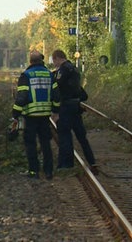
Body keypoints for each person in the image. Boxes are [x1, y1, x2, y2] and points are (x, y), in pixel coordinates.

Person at [12, 50, 59, 180]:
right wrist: (55, 110)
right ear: (41, 60)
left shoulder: (26, 75)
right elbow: (56, 95)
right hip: (45, 115)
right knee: (45, 143)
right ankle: (49, 171)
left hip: (30, 116)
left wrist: (15, 113)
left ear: (31, 61)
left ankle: (34, 171)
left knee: (30, 144)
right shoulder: (50, 75)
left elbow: (21, 97)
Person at [50, 49, 98, 174]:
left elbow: (57, 87)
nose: (54, 64)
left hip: (65, 107)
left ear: (57, 58)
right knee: (82, 137)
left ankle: (66, 165)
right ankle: (92, 161)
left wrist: (54, 110)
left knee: (65, 135)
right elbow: (79, 89)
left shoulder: (63, 70)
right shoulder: (74, 69)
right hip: (76, 106)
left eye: (54, 61)